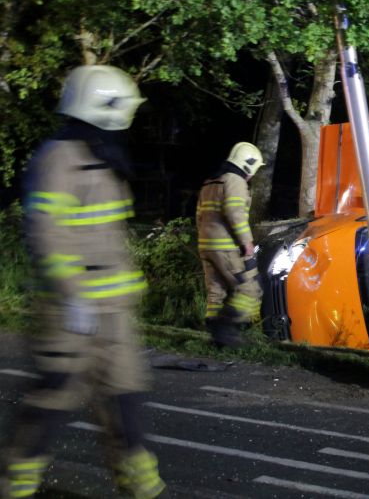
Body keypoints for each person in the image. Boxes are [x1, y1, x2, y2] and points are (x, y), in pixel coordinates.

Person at [2, 65, 166, 498]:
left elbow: (107, 236)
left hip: (113, 313)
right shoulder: (59, 158)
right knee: (52, 398)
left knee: (125, 400)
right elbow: (46, 231)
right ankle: (14, 482)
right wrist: (74, 296)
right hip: (68, 312)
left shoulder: (101, 154)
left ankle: (140, 487)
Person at [196, 142, 264, 348]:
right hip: (225, 246)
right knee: (250, 290)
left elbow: (199, 216)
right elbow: (234, 213)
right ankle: (227, 330)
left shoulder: (210, 182)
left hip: (206, 244)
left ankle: (215, 340)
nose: (253, 175)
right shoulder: (234, 180)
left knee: (217, 291)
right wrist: (247, 243)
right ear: (248, 165)